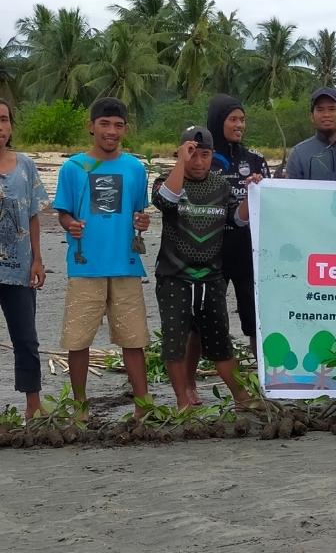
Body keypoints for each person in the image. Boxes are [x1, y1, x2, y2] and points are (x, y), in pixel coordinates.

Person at [152, 126, 265, 409]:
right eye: (192, 154)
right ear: (181, 153)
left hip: (211, 278)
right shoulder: (164, 182)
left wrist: (251, 194)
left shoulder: (221, 186)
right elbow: (166, 201)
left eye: (205, 155)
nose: (199, 161)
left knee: (220, 342)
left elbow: (236, 220)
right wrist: (180, 162)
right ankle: (183, 401)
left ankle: (241, 396)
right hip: (175, 276)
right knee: (175, 342)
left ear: (212, 155)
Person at [53, 98, 150, 417]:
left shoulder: (135, 168)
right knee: (77, 341)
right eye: (105, 124)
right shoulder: (72, 168)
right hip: (85, 266)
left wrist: (142, 222)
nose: (111, 131)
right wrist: (71, 225)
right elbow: (63, 214)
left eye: (118, 125)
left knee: (134, 339)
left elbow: (139, 212)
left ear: (125, 129)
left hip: (126, 265)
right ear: (91, 126)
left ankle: (142, 405)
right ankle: (80, 405)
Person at [198, 94, 269, 403]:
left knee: (255, 319)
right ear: (218, 121)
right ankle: (188, 388)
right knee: (203, 321)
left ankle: (266, 380)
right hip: (209, 252)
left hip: (247, 253)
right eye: (233, 119)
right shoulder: (203, 159)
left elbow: (270, 205)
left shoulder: (256, 160)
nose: (240, 124)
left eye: (243, 119)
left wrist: (259, 186)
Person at [0, 99, 49, 418]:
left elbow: (33, 214)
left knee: (26, 338)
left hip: (19, 269)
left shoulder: (26, 165)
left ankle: (33, 405)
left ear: (10, 126)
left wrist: (37, 260)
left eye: (4, 119)